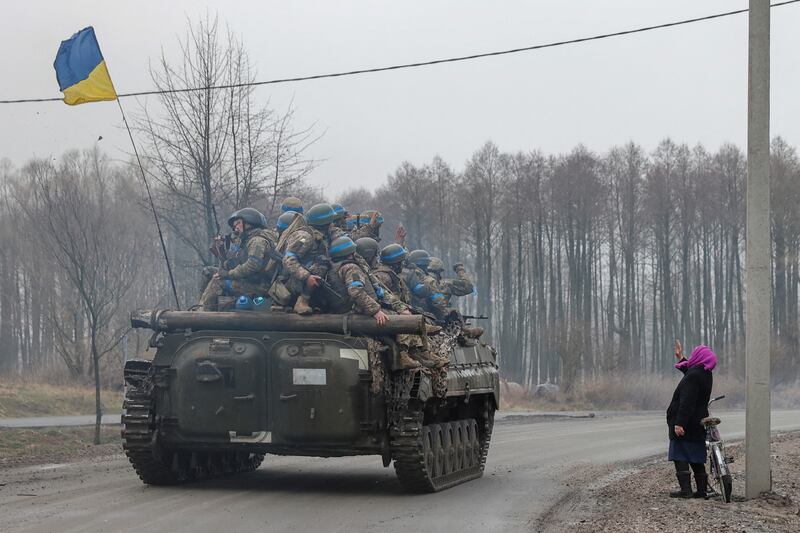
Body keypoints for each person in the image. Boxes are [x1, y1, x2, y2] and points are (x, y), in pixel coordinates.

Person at [198, 207, 275, 311]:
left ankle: (203, 314)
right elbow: (235, 263)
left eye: (238, 223)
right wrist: (225, 264)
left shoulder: (258, 240)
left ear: (249, 222)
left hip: (259, 286)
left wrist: (228, 274)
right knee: (208, 272)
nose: (235, 228)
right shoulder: (245, 241)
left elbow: (252, 265)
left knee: (218, 282)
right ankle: (200, 306)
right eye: (234, 226)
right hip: (248, 281)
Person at [667, 340, 716, 499]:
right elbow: (690, 371)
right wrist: (681, 358)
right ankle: (701, 491)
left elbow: (686, 402)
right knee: (695, 456)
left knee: (680, 454)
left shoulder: (694, 376)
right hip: (698, 421)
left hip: (687, 423)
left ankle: (686, 490)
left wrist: (679, 423)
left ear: (698, 357)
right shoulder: (705, 373)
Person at [281, 203, 342, 315]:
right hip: (292, 283)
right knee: (319, 266)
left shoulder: (322, 236)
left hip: (309, 282)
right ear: (325, 223)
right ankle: (302, 302)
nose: (333, 224)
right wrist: (307, 276)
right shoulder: (306, 237)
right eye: (331, 221)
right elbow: (288, 260)